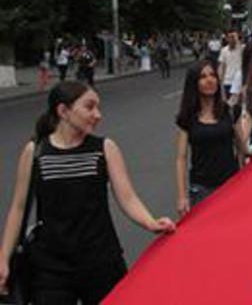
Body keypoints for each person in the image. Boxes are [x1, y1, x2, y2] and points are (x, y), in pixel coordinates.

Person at [0, 81, 175, 304]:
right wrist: (3, 258)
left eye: (98, 107)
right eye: (89, 107)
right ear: (63, 111)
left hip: (101, 261)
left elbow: (128, 197)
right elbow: (19, 207)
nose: (98, 115)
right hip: (51, 268)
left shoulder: (104, 148)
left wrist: (151, 222)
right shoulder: (35, 152)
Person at [175, 60, 249, 216]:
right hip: (202, 190)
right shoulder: (187, 118)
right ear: (194, 83)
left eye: (212, 75)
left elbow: (243, 147)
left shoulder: (230, 111)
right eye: (203, 77)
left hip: (231, 185)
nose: (209, 80)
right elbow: (181, 158)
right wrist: (182, 197)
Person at [218, 29, 244, 104]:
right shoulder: (224, 50)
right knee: (228, 105)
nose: (232, 39)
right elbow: (221, 66)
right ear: (226, 38)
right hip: (227, 82)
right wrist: (221, 84)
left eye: (234, 36)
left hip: (239, 82)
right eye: (230, 37)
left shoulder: (242, 49)